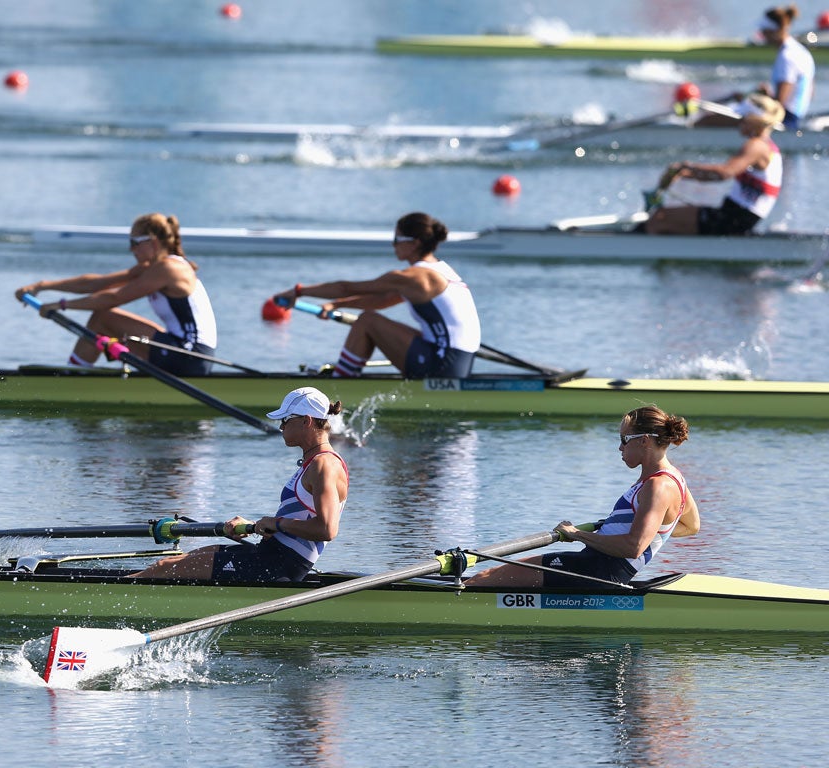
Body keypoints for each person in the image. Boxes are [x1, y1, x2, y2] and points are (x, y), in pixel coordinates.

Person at [464, 405, 700, 589]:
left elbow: (634, 546)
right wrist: (633, 529)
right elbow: (691, 525)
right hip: (597, 565)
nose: (620, 448)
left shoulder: (657, 486)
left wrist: (579, 535)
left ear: (645, 440)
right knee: (491, 577)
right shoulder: (675, 477)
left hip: (599, 571)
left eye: (624, 440)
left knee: (483, 578)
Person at [130, 387, 349, 582]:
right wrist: (255, 525)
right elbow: (297, 521)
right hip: (269, 555)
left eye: (285, 419)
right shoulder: (314, 462)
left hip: (278, 567)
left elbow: (326, 529)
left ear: (306, 421)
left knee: (164, 568)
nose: (281, 426)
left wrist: (276, 523)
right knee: (179, 560)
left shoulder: (324, 465)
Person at [273, 212, 481, 378]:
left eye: (397, 239)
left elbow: (348, 287)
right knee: (373, 317)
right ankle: (346, 376)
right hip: (457, 362)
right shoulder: (441, 270)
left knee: (367, 321)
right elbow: (382, 301)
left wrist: (299, 291)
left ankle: (340, 384)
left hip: (441, 365)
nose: (393, 245)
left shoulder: (416, 276)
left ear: (415, 242)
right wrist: (335, 305)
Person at [15, 212, 218, 375]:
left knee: (103, 318)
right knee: (106, 323)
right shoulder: (152, 267)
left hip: (190, 356)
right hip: (183, 350)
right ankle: (78, 375)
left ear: (153, 242)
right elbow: (98, 283)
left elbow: (114, 298)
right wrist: (42, 285)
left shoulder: (168, 269)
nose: (131, 249)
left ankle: (73, 379)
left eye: (134, 242)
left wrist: (61, 305)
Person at [644, 94, 786, 235]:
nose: (738, 123)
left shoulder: (756, 146)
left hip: (734, 220)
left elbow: (724, 173)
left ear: (754, 121)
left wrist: (686, 167)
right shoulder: (767, 147)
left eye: (742, 119)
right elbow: (719, 175)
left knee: (658, 218)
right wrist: (686, 174)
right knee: (668, 219)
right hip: (737, 217)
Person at [697, 5, 815, 130]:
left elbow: (779, 104)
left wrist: (754, 98)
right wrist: (765, 94)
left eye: (764, 31)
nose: (762, 36)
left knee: (708, 120)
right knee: (737, 103)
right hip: (794, 117)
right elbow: (810, 94)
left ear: (773, 31)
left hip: (784, 121)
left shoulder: (787, 57)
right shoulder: (802, 52)